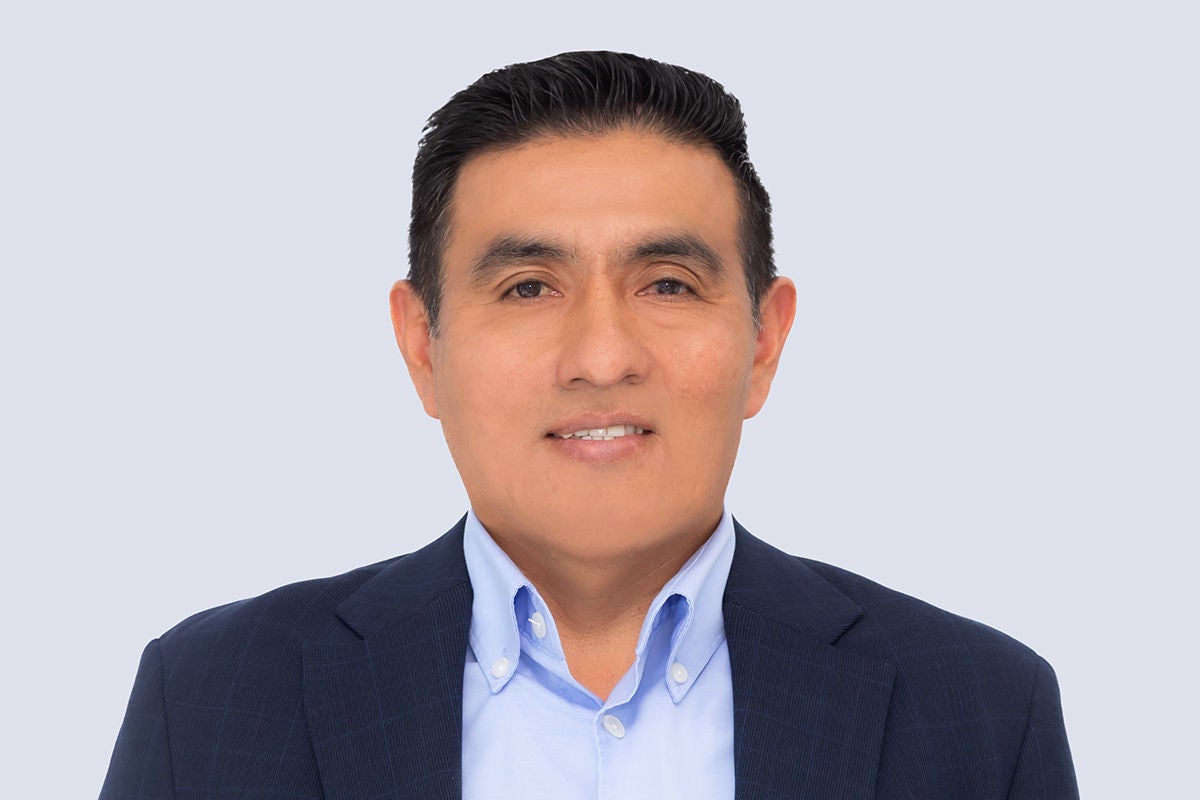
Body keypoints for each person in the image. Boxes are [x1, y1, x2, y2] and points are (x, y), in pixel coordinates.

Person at [100, 51, 1078, 799]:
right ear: (423, 345)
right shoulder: (214, 698)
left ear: (764, 341)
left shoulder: (982, 710)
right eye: (528, 286)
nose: (602, 357)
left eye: (668, 283)